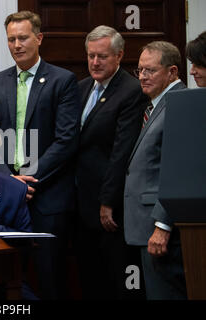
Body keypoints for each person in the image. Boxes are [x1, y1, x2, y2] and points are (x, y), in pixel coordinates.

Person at [0, 11, 81, 299]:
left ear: (39, 38)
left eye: (23, 38)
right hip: (4, 197)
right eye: (11, 39)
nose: (16, 45)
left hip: (48, 198)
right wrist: (10, 181)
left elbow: (66, 140)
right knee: (4, 280)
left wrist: (29, 179)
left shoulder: (63, 81)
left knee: (50, 278)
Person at [75, 26, 149, 299]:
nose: (95, 62)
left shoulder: (131, 91)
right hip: (80, 203)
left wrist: (108, 201)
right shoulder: (81, 87)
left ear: (119, 56)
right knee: (89, 277)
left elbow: (121, 152)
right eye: (91, 56)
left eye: (102, 56)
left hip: (111, 208)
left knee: (119, 279)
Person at [124, 41, 187, 299]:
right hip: (144, 226)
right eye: (139, 70)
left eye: (150, 70)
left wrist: (162, 224)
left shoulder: (180, 104)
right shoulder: (155, 105)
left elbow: (179, 172)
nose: (142, 77)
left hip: (161, 228)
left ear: (172, 72)